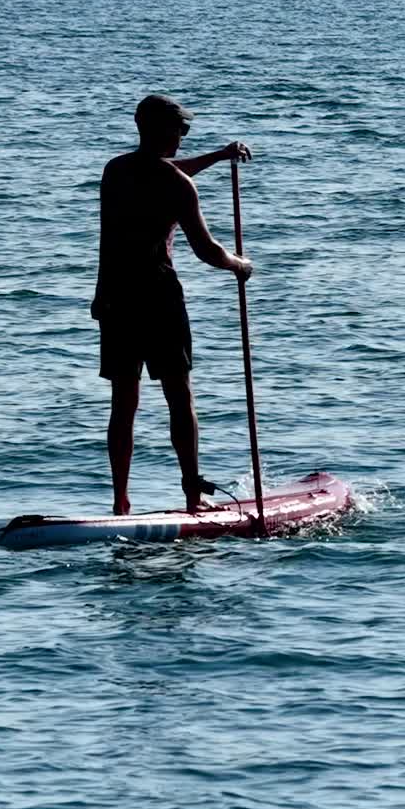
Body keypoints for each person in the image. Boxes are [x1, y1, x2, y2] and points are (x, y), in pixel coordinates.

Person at [91, 94, 252, 515]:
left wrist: (218, 156)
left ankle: (119, 500)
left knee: (124, 400)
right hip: (159, 297)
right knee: (179, 395)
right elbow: (206, 249)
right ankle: (192, 496)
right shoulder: (179, 186)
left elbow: (157, 177)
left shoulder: (116, 171)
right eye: (180, 130)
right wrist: (239, 265)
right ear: (161, 130)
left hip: (115, 297)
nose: (183, 136)